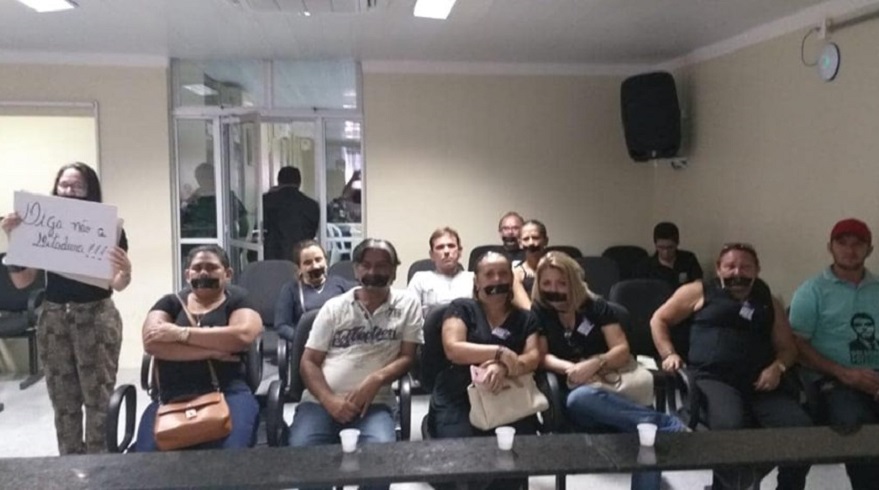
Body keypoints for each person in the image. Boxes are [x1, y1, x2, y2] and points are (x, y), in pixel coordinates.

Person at [651, 243, 812, 490]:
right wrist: (669, 353)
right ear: (719, 269)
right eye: (730, 266)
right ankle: (729, 485)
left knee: (801, 430)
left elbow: (788, 348)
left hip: (761, 382)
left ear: (757, 270)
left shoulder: (768, 300)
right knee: (731, 430)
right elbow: (659, 319)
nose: (738, 272)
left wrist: (777, 368)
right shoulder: (698, 291)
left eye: (746, 267)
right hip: (713, 379)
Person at [1, 162, 132, 455]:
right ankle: (70, 467)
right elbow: (23, 281)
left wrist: (126, 271)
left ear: (90, 191)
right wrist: (15, 239)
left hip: (96, 318)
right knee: (63, 402)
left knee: (98, 400)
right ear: (56, 188)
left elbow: (117, 283)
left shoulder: (106, 228)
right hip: (55, 319)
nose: (69, 191)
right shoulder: (42, 225)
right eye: (64, 185)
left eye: (77, 186)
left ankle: (100, 467)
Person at [533, 252, 686, 490]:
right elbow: (541, 357)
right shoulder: (539, 310)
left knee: (643, 436)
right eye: (547, 283)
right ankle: (666, 425)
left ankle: (655, 429)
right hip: (573, 393)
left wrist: (595, 363)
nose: (554, 290)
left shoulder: (595, 306)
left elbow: (621, 350)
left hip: (609, 384)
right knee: (580, 399)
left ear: (574, 282)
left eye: (561, 283)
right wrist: (571, 368)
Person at [288, 238, 422, 490]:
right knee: (306, 458)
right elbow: (309, 362)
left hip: (375, 404)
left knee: (379, 463)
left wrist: (376, 379)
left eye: (382, 265)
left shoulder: (408, 304)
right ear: (356, 269)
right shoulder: (334, 307)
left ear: (394, 270)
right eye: (366, 265)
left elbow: (407, 357)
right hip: (320, 403)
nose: (373, 272)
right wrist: (329, 400)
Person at [429, 251, 540, 490]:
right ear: (477, 282)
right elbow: (453, 349)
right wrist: (499, 352)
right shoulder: (462, 308)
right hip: (459, 394)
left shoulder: (525, 318)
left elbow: (533, 357)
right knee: (464, 463)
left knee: (511, 459)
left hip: (507, 396)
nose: (497, 280)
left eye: (503, 274)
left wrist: (504, 367)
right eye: (489, 274)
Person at [136, 245, 263, 451]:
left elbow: (243, 336)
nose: (203, 273)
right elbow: (152, 342)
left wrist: (179, 334)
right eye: (197, 268)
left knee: (232, 456)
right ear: (187, 275)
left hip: (228, 393)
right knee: (147, 457)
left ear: (228, 274)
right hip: (171, 396)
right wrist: (212, 351)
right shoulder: (169, 303)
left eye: (211, 267)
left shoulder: (238, 301)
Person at [789, 218, 879, 490]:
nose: (850, 250)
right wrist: (844, 374)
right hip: (834, 379)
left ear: (869, 250)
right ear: (830, 247)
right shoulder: (812, 291)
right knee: (857, 427)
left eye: (858, 244)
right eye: (842, 243)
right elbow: (797, 345)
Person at [274, 240, 352, 342]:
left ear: (326, 261)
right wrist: (301, 339)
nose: (315, 266)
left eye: (318, 260)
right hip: (306, 344)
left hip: (340, 342)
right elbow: (281, 326)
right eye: (307, 263)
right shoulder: (290, 289)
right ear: (299, 268)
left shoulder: (341, 284)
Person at [408, 227, 474, 312]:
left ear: (459, 252)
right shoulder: (419, 280)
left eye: (451, 246)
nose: (446, 251)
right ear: (432, 255)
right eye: (440, 247)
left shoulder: (473, 279)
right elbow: (410, 314)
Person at [262, 167, 320, 261]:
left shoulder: (266, 201)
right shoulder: (311, 205)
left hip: (273, 255)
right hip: (301, 255)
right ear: (299, 183)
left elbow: (261, 228)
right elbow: (312, 232)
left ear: (279, 182)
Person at [180, 162, 249, 239]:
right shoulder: (194, 198)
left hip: (224, 242)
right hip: (197, 242)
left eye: (206, 177)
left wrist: (238, 243)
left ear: (214, 177)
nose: (203, 180)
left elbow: (243, 224)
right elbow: (183, 223)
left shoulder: (227, 197)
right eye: (200, 177)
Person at [636, 222, 703, 290]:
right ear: (655, 245)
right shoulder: (645, 266)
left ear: (677, 243)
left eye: (670, 247)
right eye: (661, 247)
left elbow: (698, 284)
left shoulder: (689, 259)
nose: (666, 252)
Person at [512, 219, 548, 310]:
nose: (531, 243)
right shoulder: (516, 273)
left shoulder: (558, 268)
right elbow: (527, 308)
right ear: (520, 243)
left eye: (535, 238)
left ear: (545, 241)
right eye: (526, 239)